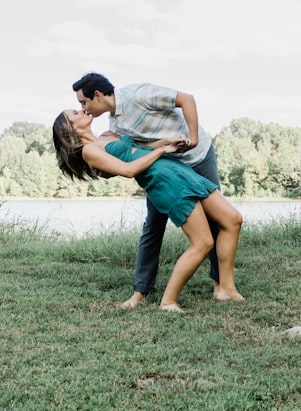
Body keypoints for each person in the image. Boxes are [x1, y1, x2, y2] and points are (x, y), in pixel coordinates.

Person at [52, 108, 243, 312]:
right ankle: (168, 302)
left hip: (177, 170)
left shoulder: (107, 135)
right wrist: (161, 151)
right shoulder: (89, 151)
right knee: (203, 243)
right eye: (75, 113)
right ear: (70, 128)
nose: (82, 110)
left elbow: (140, 147)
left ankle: (226, 289)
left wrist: (166, 143)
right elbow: (129, 169)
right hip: (163, 181)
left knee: (233, 219)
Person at [72, 72, 223, 308]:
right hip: (166, 169)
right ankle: (141, 291)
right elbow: (135, 153)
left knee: (216, 221)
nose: (83, 108)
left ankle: (220, 284)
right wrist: (163, 149)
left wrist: (192, 138)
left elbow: (187, 99)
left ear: (98, 95)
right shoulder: (114, 125)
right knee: (153, 226)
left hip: (197, 156)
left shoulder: (138, 94)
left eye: (84, 102)